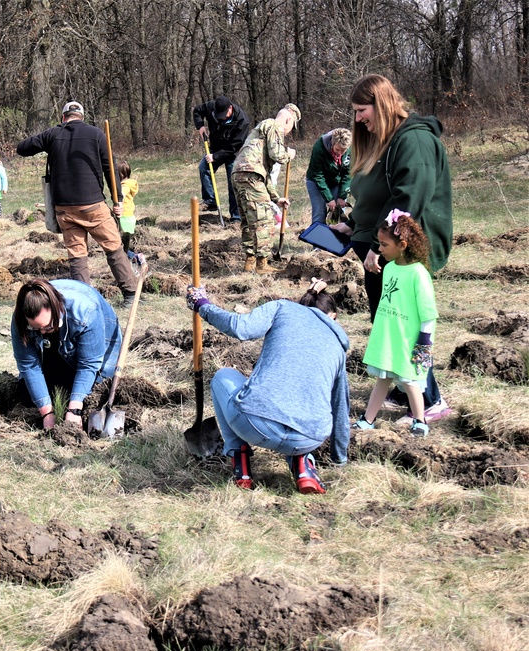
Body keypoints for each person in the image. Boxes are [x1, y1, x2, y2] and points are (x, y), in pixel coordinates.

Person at [332, 73, 452, 422]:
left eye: (361, 110)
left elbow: (407, 200)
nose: (357, 119)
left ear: (381, 103)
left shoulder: (413, 142)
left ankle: (429, 401)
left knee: (404, 325)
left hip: (401, 252)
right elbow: (378, 195)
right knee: (388, 321)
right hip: (382, 248)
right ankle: (403, 390)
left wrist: (376, 245)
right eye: (354, 112)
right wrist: (352, 224)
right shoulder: (386, 140)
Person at [185, 278, 350, 495]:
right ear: (332, 317)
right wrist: (339, 459)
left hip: (254, 425)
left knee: (222, 377)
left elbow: (239, 328)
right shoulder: (338, 346)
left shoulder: (283, 308)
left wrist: (202, 305)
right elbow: (341, 408)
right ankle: (304, 466)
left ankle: (239, 459)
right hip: (308, 438)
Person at [16, 101, 138, 306]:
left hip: (64, 208)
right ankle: (131, 294)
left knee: (77, 255)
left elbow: (22, 148)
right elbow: (110, 169)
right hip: (93, 206)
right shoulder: (97, 134)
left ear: (64, 117)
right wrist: (117, 200)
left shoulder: (52, 134)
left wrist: (48, 134)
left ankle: (85, 300)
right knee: (114, 248)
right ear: (81, 116)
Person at [352, 211, 437, 437]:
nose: (379, 249)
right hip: (388, 335)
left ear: (403, 245)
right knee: (383, 378)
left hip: (409, 339)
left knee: (410, 380)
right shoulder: (389, 268)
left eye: (384, 244)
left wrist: (424, 342)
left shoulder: (418, 273)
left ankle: (420, 420)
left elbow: (428, 312)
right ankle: (368, 419)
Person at [11, 278, 122, 430]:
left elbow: (88, 363)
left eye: (47, 327)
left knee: (94, 392)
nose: (42, 332)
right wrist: (46, 413)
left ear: (57, 309)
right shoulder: (20, 319)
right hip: (57, 337)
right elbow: (28, 365)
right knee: (28, 393)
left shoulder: (85, 311)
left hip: (98, 333)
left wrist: (74, 410)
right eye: (36, 329)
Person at [231, 103, 300, 274]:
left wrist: (277, 198)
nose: (289, 131)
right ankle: (262, 264)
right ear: (288, 120)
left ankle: (250, 262)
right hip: (251, 175)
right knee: (264, 220)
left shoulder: (260, 131)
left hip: (239, 173)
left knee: (249, 221)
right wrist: (288, 154)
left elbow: (264, 174)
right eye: (291, 127)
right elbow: (277, 155)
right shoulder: (274, 125)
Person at [192, 95, 250, 221]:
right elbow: (197, 110)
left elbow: (235, 146)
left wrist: (216, 157)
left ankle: (236, 217)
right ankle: (210, 200)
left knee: (232, 182)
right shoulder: (211, 107)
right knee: (204, 168)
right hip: (215, 147)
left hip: (233, 153)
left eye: (224, 114)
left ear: (230, 108)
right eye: (219, 115)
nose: (221, 117)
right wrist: (200, 126)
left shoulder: (242, 121)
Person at [305, 128, 352, 225]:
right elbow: (317, 175)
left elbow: (348, 173)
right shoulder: (319, 147)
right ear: (332, 143)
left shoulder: (351, 149)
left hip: (336, 181)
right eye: (337, 149)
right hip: (316, 181)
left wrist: (342, 196)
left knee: (337, 212)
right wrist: (329, 199)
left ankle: (334, 237)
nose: (339, 153)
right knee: (319, 212)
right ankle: (318, 237)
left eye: (343, 151)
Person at [117, 160, 143, 268]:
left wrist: (119, 202)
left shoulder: (125, 186)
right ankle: (130, 259)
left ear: (120, 174)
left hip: (124, 217)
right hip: (129, 217)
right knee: (124, 244)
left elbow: (122, 193)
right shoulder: (130, 183)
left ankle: (135, 258)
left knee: (122, 246)